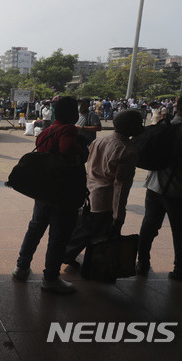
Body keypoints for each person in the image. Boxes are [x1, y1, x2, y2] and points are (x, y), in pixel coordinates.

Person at [13, 97, 81, 294]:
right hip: (61, 190)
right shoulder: (68, 129)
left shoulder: (46, 131)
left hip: (43, 188)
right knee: (58, 235)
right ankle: (50, 277)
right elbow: (66, 150)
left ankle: (21, 266)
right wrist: (79, 147)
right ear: (72, 113)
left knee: (35, 228)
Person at [63, 110, 144, 268]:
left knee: (86, 229)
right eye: (138, 124)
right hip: (106, 200)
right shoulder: (127, 151)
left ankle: (66, 254)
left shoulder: (100, 141)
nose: (141, 127)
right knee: (100, 237)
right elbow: (121, 186)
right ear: (128, 127)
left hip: (91, 193)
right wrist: (118, 215)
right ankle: (93, 267)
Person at [137, 94, 182, 285]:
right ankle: (181, 270)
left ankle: (142, 264)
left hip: (154, 187)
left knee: (148, 227)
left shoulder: (164, 126)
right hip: (179, 192)